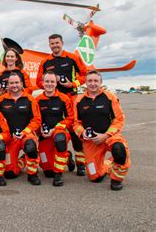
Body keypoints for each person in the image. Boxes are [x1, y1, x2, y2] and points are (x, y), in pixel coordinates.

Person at [36, 34, 88, 176]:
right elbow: (38, 82)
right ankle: (65, 157)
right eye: (52, 43)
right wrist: (49, 85)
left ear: (62, 43)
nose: (55, 45)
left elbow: (84, 74)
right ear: (49, 45)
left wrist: (72, 84)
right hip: (51, 100)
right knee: (50, 133)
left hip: (71, 98)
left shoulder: (72, 58)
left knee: (75, 132)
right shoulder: (45, 62)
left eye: (57, 43)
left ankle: (81, 164)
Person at [74, 71, 130, 191]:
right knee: (95, 177)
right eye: (90, 81)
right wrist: (82, 132)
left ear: (101, 82)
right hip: (91, 141)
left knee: (119, 150)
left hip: (109, 136)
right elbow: (76, 123)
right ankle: (108, 164)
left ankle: (116, 179)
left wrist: (105, 135)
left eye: (96, 81)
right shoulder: (79, 100)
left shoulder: (110, 97)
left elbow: (119, 119)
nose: (93, 84)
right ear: (86, 83)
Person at [0, 73, 42, 185]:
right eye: (11, 83)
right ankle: (22, 161)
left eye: (16, 83)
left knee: (30, 146)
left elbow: (37, 120)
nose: (14, 85)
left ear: (21, 84)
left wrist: (25, 132)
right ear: (8, 85)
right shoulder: (1, 100)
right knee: (10, 174)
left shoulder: (30, 99)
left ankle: (32, 174)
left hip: (26, 135)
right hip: (10, 138)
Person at [35, 71, 73, 186]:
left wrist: (56, 129)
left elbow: (70, 118)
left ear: (56, 83)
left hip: (59, 133)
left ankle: (58, 173)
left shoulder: (64, 98)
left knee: (60, 139)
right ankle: (67, 157)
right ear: (43, 83)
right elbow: (36, 118)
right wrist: (40, 129)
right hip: (44, 135)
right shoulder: (37, 100)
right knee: (47, 170)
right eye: (47, 81)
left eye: (52, 81)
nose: (49, 84)